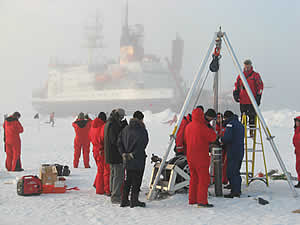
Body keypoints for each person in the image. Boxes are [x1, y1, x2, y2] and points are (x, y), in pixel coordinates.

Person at [184, 107, 217, 207]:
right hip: (201, 157)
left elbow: (186, 139)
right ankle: (202, 201)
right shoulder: (202, 127)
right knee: (203, 179)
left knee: (193, 178)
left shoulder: (188, 126)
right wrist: (210, 128)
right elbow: (213, 137)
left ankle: (192, 199)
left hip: (190, 156)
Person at [118, 111, 149, 208]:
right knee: (137, 180)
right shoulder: (142, 130)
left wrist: (123, 153)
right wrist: (133, 154)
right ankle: (134, 201)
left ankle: (124, 200)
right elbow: (143, 144)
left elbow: (119, 142)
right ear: (141, 119)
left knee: (128, 180)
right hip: (138, 159)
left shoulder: (125, 129)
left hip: (127, 159)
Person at [233, 59, 263, 136]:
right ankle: (242, 132)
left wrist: (258, 97)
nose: (247, 67)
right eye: (245, 66)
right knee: (243, 118)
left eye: (248, 65)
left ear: (250, 65)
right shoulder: (240, 75)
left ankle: (252, 132)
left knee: (252, 117)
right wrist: (235, 93)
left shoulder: (255, 75)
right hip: (243, 100)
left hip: (252, 101)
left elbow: (260, 86)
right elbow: (236, 86)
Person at [104, 108, 128, 204]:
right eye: (121, 117)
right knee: (118, 176)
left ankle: (112, 192)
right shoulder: (113, 124)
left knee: (113, 175)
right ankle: (116, 196)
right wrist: (123, 128)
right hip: (115, 154)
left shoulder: (109, 122)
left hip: (110, 154)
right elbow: (115, 139)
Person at [220, 110, 245, 198]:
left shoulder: (230, 125)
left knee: (231, 171)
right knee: (236, 170)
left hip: (233, 150)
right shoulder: (240, 125)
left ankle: (235, 191)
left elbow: (227, 137)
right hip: (240, 150)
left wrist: (221, 140)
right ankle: (235, 187)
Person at [90, 112, 111, 195]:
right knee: (103, 171)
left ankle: (97, 185)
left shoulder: (92, 127)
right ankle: (100, 189)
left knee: (99, 169)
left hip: (95, 150)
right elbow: (103, 139)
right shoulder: (102, 127)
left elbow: (90, 137)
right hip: (101, 151)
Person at [216, 113, 228, 184]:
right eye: (217, 118)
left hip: (224, 147)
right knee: (216, 165)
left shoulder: (224, 126)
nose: (219, 119)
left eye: (220, 118)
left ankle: (224, 180)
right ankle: (215, 179)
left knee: (224, 164)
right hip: (217, 147)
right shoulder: (214, 126)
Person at [293, 116, 300, 188]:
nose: (297, 123)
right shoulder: (296, 130)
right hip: (298, 152)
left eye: (298, 121)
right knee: (298, 167)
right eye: (296, 121)